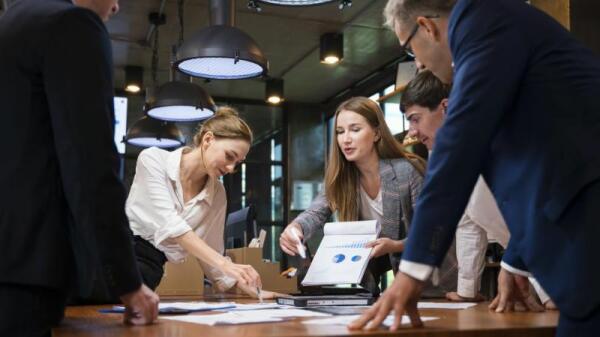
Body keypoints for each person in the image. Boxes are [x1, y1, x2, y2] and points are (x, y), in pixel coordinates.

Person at [350, 0, 600, 335]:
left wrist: (410, 274)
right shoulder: (497, 32)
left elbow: (459, 143)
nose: (419, 64)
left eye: (410, 50)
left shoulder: (481, 19)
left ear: (426, 26)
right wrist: (516, 261)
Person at [0, 0, 159, 335]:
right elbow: (90, 161)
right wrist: (128, 283)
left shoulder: (15, 19)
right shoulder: (71, 25)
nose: (116, 7)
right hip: (26, 269)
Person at [401, 70, 555, 308]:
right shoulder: (441, 156)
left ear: (445, 107)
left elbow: (531, 210)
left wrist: (511, 264)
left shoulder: (493, 137)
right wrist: (467, 290)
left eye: (415, 118)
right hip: (531, 261)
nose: (411, 131)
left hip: (560, 249)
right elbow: (467, 222)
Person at [279, 96, 457, 296]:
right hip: (380, 289)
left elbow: (434, 232)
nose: (346, 139)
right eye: (340, 131)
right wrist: (296, 227)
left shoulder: (407, 172)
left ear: (376, 134)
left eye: (355, 129)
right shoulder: (342, 179)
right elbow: (315, 212)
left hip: (435, 283)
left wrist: (395, 246)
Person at [126, 107, 272, 299]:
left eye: (237, 163)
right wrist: (226, 264)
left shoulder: (218, 193)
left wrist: (252, 290)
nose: (230, 168)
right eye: (229, 156)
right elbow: (172, 226)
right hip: (119, 256)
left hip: (149, 272)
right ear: (208, 139)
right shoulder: (153, 159)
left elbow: (213, 256)